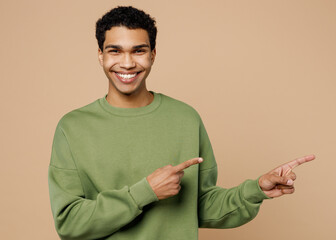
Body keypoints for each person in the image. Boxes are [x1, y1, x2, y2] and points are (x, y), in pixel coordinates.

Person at [48, 6, 315, 240]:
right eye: (114, 51)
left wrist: (255, 189)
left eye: (138, 51)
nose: (127, 63)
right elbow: (69, 224)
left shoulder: (186, 118)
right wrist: (145, 192)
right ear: (100, 55)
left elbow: (200, 206)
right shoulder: (73, 127)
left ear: (153, 55)